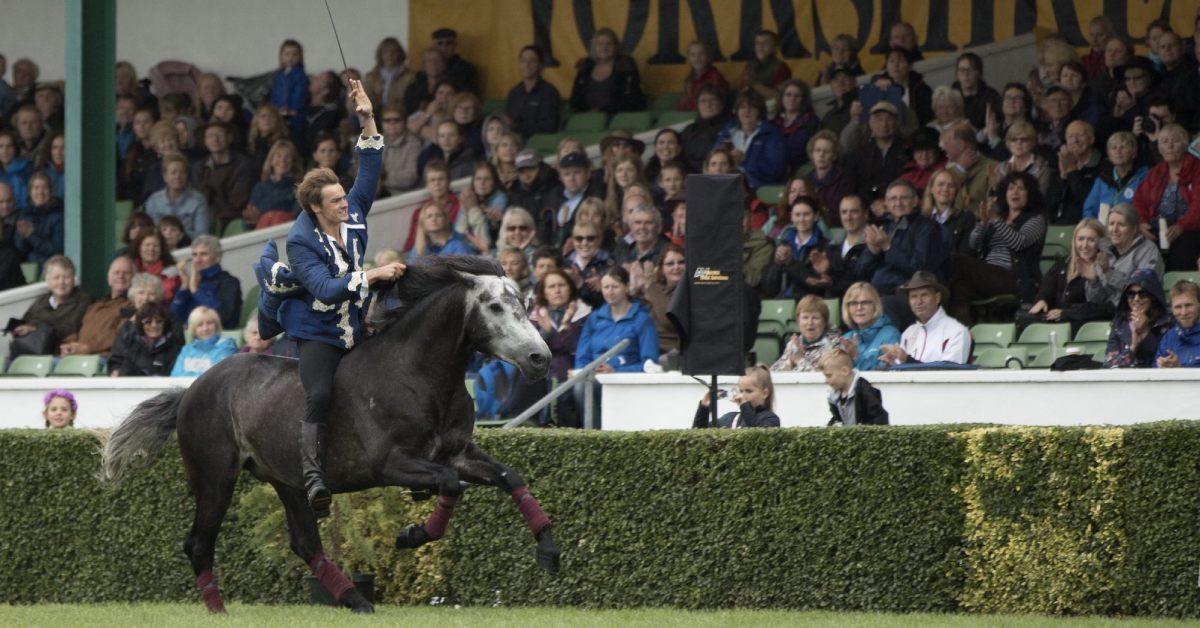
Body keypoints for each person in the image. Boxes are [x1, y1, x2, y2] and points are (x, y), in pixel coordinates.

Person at [254, 78, 403, 517]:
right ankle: (314, 476)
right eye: (337, 200)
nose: (347, 202)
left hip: (355, 323)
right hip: (317, 330)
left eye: (344, 195)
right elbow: (323, 289)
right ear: (317, 208)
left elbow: (371, 167)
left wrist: (367, 117)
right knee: (318, 393)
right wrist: (371, 274)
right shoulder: (301, 241)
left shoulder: (352, 213)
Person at [948, 172, 1047, 323]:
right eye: (1011, 188)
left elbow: (1018, 243)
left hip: (1015, 277)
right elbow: (973, 243)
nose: (1015, 192)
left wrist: (994, 220)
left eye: (1021, 188)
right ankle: (965, 332)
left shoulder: (1036, 219)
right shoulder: (998, 218)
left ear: (1030, 194)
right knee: (959, 288)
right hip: (989, 275)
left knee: (956, 260)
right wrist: (982, 222)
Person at [1019, 218, 1115, 333]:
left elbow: (1106, 307)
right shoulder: (1064, 264)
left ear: (1100, 243)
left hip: (1086, 329)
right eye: (1080, 239)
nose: (1084, 245)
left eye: (1091, 240)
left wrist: (1067, 313)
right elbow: (1048, 286)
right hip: (1059, 327)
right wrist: (1042, 300)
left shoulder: (1107, 268)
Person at [858, 180, 948, 296]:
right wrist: (872, 252)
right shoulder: (883, 227)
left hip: (909, 293)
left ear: (915, 201)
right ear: (886, 202)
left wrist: (888, 247)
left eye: (904, 198)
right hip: (877, 293)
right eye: (893, 199)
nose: (898, 203)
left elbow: (921, 269)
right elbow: (860, 273)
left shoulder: (927, 228)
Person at [528, 268, 591, 426]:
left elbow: (577, 346)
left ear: (570, 288)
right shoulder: (536, 316)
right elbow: (533, 351)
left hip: (573, 369)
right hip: (542, 374)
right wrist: (546, 332)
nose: (557, 290)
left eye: (561, 285)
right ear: (544, 292)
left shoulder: (585, 315)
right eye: (551, 287)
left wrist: (552, 334)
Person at [1133, 123, 1200, 271]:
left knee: (1184, 247)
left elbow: (1198, 207)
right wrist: (1142, 222)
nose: (1169, 146)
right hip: (1158, 227)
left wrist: (1182, 225)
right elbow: (1139, 200)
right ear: (1159, 147)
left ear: (1185, 144)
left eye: (1175, 141)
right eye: (1164, 141)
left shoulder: (1197, 169)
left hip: (1190, 229)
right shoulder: (1155, 172)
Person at [574, 266, 658, 373]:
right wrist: (583, 373)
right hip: (593, 380)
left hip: (627, 382)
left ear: (627, 287)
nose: (610, 292)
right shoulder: (594, 318)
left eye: (615, 286)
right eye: (606, 287)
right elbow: (582, 357)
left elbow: (650, 363)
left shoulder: (642, 319)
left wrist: (616, 371)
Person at [880, 271, 971, 366]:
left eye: (924, 295)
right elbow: (904, 372)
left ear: (937, 298)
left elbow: (949, 375)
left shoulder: (957, 332)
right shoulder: (908, 333)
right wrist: (893, 364)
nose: (919, 301)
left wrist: (907, 360)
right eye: (913, 296)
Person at [10, 255, 90, 357]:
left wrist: (34, 328)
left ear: (73, 279)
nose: (61, 282)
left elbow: (70, 327)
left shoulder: (84, 300)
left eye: (66, 277)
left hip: (59, 354)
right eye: (56, 278)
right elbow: (26, 320)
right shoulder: (41, 301)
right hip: (30, 352)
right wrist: (17, 328)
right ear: (48, 280)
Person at [58, 256, 134, 357]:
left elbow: (120, 334)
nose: (121, 276)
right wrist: (69, 345)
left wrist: (87, 347)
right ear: (109, 278)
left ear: (134, 277)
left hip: (102, 359)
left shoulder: (132, 305)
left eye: (126, 273)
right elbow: (78, 328)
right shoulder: (94, 305)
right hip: (77, 355)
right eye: (116, 272)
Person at [714, 90, 786, 190]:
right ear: (736, 111)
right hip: (726, 184)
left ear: (759, 111)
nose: (747, 111)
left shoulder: (771, 134)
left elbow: (774, 170)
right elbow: (712, 160)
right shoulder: (728, 132)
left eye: (752, 107)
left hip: (758, 188)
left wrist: (745, 159)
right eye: (742, 107)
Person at [841, 101, 909, 208]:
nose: (884, 124)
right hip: (869, 209)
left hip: (900, 205)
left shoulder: (907, 150)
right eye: (879, 119)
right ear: (870, 123)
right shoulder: (860, 154)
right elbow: (856, 186)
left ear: (896, 122)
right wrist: (872, 203)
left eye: (888, 119)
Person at [191, 122, 254, 235]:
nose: (215, 139)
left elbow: (238, 201)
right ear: (205, 141)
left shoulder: (242, 164)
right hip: (206, 219)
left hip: (234, 219)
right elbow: (199, 198)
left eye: (219, 135)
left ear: (229, 138)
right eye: (210, 136)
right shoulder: (199, 167)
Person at [1098, 203, 1164, 307]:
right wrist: (1092, 282)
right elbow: (1097, 298)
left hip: (1140, 311)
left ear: (1133, 229)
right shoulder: (1104, 252)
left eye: (1121, 225)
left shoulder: (1147, 250)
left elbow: (1140, 290)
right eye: (1111, 224)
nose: (1114, 229)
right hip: (1109, 311)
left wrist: (1109, 274)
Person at [170, 235, 242, 330]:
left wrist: (196, 291)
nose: (197, 260)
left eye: (204, 254)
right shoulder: (190, 281)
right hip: (187, 337)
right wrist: (184, 287)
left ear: (217, 257)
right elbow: (173, 318)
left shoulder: (229, 282)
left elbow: (222, 315)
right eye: (194, 255)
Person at [569, 28, 645, 115]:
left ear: (616, 47)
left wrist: (602, 111)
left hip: (617, 117)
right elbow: (575, 98)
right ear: (594, 47)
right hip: (587, 117)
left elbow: (632, 99)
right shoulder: (585, 67)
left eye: (609, 44)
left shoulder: (626, 66)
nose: (604, 47)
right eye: (600, 44)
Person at [764, 196, 828, 298]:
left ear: (816, 216)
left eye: (806, 214)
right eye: (797, 215)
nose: (801, 219)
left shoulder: (825, 246)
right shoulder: (781, 245)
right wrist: (777, 265)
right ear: (791, 217)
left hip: (809, 303)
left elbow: (818, 285)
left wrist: (790, 263)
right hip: (782, 303)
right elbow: (769, 288)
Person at [1104, 269, 1170, 368]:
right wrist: (1133, 347)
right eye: (1131, 294)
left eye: (1142, 293)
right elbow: (1109, 363)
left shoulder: (1168, 321)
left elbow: (1166, 357)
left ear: (1153, 296)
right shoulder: (1119, 324)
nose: (1136, 299)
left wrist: (1145, 333)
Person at [692, 365, 780, 429]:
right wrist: (704, 408)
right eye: (741, 391)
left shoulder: (770, 419)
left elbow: (756, 434)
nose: (743, 395)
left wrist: (745, 405)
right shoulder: (730, 418)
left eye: (749, 391)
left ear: (765, 393)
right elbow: (699, 435)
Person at [839, 281, 901, 371]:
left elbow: (883, 375)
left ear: (875, 305)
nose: (859, 308)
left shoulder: (890, 334)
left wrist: (856, 358)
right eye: (853, 303)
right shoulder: (846, 338)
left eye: (865, 302)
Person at [143, 153, 209, 239]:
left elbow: (202, 235)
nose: (178, 176)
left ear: (187, 176)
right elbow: (149, 232)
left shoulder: (198, 200)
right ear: (165, 177)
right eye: (173, 173)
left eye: (182, 172)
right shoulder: (153, 201)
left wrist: (177, 234)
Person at [770, 295, 840, 372]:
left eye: (815, 318)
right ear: (798, 321)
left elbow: (826, 378)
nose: (810, 323)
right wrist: (789, 362)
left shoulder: (833, 345)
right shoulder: (794, 344)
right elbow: (773, 374)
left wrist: (799, 360)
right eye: (805, 317)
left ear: (824, 322)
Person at [820, 349, 889, 426]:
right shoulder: (833, 396)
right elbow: (837, 419)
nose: (826, 381)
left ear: (845, 371)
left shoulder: (865, 391)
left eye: (829, 376)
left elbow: (880, 417)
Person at [637, 244, 684, 355]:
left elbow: (669, 320)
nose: (676, 267)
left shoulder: (693, 291)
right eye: (670, 264)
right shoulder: (656, 289)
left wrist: (649, 287)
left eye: (681, 262)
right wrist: (633, 290)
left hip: (674, 352)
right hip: (647, 347)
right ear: (661, 269)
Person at [941, 121, 997, 215]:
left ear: (961, 144)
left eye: (946, 143)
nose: (943, 148)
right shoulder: (949, 172)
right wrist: (960, 169)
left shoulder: (993, 168)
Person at [506, 45, 561, 137]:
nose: (527, 65)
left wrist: (517, 126)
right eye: (523, 61)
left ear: (541, 65)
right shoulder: (514, 93)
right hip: (513, 142)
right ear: (519, 64)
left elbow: (549, 126)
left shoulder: (549, 92)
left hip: (536, 143)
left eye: (532, 61)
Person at [247, 140, 303, 229]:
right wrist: (250, 220)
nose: (283, 160)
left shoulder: (298, 190)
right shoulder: (259, 187)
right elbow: (248, 223)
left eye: (287, 157)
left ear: (293, 162)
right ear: (271, 161)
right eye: (278, 156)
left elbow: (297, 219)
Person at [169, 306, 236, 377]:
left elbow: (217, 377)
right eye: (200, 325)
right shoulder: (187, 350)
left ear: (216, 325)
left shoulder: (227, 348)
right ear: (193, 328)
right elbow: (175, 376)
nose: (205, 328)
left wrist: (188, 375)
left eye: (209, 323)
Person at [13, 171, 63, 265]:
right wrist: (21, 236)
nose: (40, 192)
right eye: (36, 188)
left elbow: (56, 252)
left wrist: (31, 235)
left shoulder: (58, 216)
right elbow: (19, 251)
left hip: (50, 268)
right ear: (30, 192)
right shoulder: (24, 215)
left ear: (51, 191)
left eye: (44, 188)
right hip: (28, 270)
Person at [564, 218, 615, 308]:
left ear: (599, 240)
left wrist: (602, 288)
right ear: (573, 240)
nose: (584, 243)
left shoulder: (609, 263)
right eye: (579, 238)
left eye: (590, 238)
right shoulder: (565, 263)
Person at [680, 85, 731, 172]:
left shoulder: (730, 128)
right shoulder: (689, 130)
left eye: (712, 100)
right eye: (703, 101)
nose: (708, 104)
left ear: (721, 104)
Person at [924, 168, 975, 254]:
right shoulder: (920, 218)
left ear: (956, 191)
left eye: (951, 186)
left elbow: (965, 254)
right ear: (931, 189)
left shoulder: (966, 218)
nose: (945, 189)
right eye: (940, 184)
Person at [775, 80, 819, 174]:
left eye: (797, 96)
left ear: (803, 99)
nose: (792, 98)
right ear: (782, 98)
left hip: (803, 171)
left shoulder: (812, 122)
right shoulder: (773, 124)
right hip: (777, 172)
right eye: (788, 94)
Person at [1155, 280, 1200, 368]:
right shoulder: (1168, 339)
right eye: (1178, 307)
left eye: (1188, 305)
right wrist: (1161, 367)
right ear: (1171, 309)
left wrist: (1180, 370)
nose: (1183, 312)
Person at [741, 30, 791, 105]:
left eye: (765, 44)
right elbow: (743, 91)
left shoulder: (781, 67)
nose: (760, 47)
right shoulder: (750, 65)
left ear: (775, 48)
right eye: (757, 44)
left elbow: (778, 96)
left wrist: (754, 84)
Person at [954, 52, 1002, 131]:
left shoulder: (990, 96)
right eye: (962, 70)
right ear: (957, 74)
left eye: (970, 69)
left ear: (979, 73)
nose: (966, 74)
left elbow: (997, 123)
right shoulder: (950, 96)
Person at [270, 39, 309, 134]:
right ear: (281, 56)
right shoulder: (278, 75)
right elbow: (275, 93)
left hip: (294, 113)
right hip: (278, 111)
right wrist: (275, 108)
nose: (290, 57)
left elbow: (299, 94)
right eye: (287, 54)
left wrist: (293, 109)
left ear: (300, 56)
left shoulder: (300, 75)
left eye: (294, 54)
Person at [364, 37, 412, 112]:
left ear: (399, 54)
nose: (390, 55)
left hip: (400, 113)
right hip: (375, 113)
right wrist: (376, 95)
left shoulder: (409, 76)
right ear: (380, 54)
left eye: (393, 52)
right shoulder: (371, 77)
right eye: (386, 52)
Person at [678, 40, 729, 111]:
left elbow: (717, 104)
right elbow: (683, 104)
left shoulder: (715, 78)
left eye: (701, 54)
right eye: (693, 55)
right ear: (688, 59)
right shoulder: (688, 80)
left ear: (708, 57)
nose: (697, 58)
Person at [132, 230, 182, 302]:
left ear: (162, 249)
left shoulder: (171, 272)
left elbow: (166, 296)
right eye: (147, 245)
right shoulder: (130, 267)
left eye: (156, 246)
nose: (151, 249)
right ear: (139, 247)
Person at [432, 27, 479, 94]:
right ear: (434, 46)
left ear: (455, 45)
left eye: (448, 43)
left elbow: (466, 96)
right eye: (440, 43)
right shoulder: (427, 68)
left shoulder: (465, 69)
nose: (444, 47)